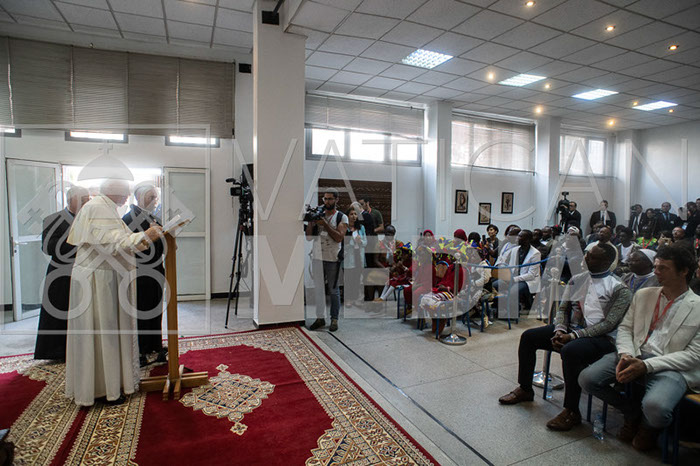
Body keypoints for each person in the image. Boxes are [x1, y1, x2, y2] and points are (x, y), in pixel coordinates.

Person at [579, 243, 700, 451]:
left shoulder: (697, 306)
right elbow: (625, 328)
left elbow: (693, 355)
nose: (656, 271)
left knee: (657, 409)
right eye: (656, 266)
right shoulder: (644, 294)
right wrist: (626, 354)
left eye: (663, 268)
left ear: (683, 271)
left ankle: (649, 426)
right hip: (635, 353)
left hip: (670, 366)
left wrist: (646, 366)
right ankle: (632, 412)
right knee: (587, 379)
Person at [499, 244, 632, 431]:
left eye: (592, 257)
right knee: (529, 337)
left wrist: (573, 336)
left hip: (601, 338)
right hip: (571, 330)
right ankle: (525, 389)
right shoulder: (577, 279)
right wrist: (560, 330)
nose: (585, 259)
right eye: (587, 254)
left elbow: (609, 324)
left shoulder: (619, 288)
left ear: (607, 262)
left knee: (571, 351)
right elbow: (563, 309)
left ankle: (571, 410)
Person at [65, 180, 163, 406]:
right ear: (113, 192)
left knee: (107, 333)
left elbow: (119, 240)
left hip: (104, 277)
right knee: (104, 334)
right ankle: (104, 390)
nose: (128, 197)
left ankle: (111, 385)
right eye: (125, 192)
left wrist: (146, 237)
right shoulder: (99, 208)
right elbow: (116, 243)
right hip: (98, 281)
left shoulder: (104, 207)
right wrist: (147, 234)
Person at [34, 186, 90, 361]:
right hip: (61, 273)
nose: (86, 202)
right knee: (59, 311)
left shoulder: (91, 219)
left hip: (86, 271)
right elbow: (48, 247)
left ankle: (83, 349)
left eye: (88, 198)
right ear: (70, 200)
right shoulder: (53, 219)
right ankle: (57, 351)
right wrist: (76, 243)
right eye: (83, 198)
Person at [122, 183, 167, 366]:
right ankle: (141, 348)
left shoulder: (152, 217)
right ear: (140, 198)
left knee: (155, 307)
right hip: (140, 271)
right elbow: (130, 245)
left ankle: (154, 344)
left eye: (156, 197)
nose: (155, 201)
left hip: (156, 268)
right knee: (142, 310)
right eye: (151, 197)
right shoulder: (128, 219)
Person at [306, 188, 348, 332]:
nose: (327, 201)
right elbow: (309, 237)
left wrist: (325, 224)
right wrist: (311, 221)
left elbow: (339, 237)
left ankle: (334, 319)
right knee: (318, 289)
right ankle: (320, 318)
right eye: (325, 199)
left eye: (330, 199)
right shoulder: (319, 214)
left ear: (336, 200)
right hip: (317, 257)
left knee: (333, 290)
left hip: (333, 258)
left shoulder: (341, 217)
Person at [494, 229, 541, 314]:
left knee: (513, 291)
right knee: (495, 284)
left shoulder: (535, 253)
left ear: (527, 240)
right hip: (513, 277)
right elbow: (509, 265)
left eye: (520, 236)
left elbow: (531, 275)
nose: (516, 238)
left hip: (527, 280)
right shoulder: (515, 250)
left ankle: (513, 313)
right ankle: (504, 308)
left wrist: (514, 279)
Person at [343, 202, 367, 307]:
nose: (354, 216)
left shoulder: (361, 228)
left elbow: (365, 242)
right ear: (347, 216)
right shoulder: (344, 228)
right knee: (348, 279)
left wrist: (360, 241)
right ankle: (348, 299)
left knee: (357, 279)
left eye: (355, 214)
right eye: (351, 214)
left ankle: (355, 298)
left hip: (359, 255)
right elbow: (343, 244)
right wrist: (353, 242)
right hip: (348, 256)